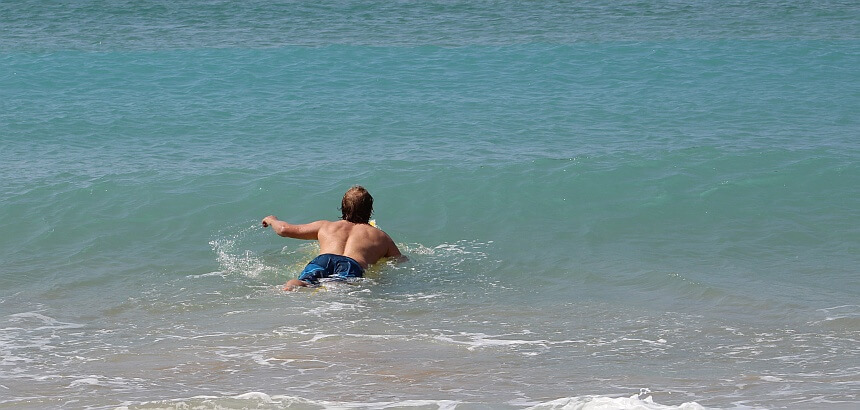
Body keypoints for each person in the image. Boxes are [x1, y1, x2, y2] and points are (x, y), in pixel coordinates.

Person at [262, 185, 404, 291]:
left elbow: (284, 230)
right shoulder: (380, 236)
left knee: (308, 282)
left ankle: (295, 284)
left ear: (343, 208)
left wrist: (272, 220)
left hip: (323, 260)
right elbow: (399, 260)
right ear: (370, 210)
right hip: (351, 265)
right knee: (338, 286)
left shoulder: (326, 226)